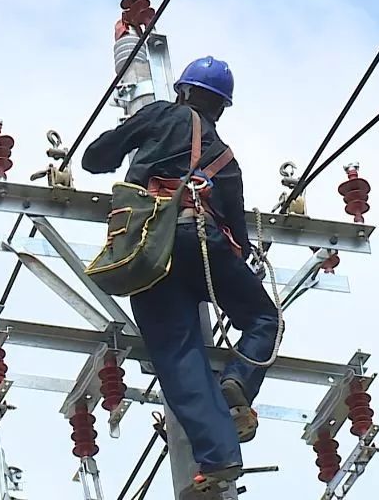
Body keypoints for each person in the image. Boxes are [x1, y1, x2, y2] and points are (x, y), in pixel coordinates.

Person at [81, 56, 282, 492]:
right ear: (222, 108)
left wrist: (129, 140)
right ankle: (236, 383)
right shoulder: (227, 161)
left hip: (154, 248)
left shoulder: (162, 115)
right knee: (264, 318)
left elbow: (95, 159)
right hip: (208, 244)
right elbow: (241, 241)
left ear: (184, 91)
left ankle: (220, 457)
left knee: (178, 355)